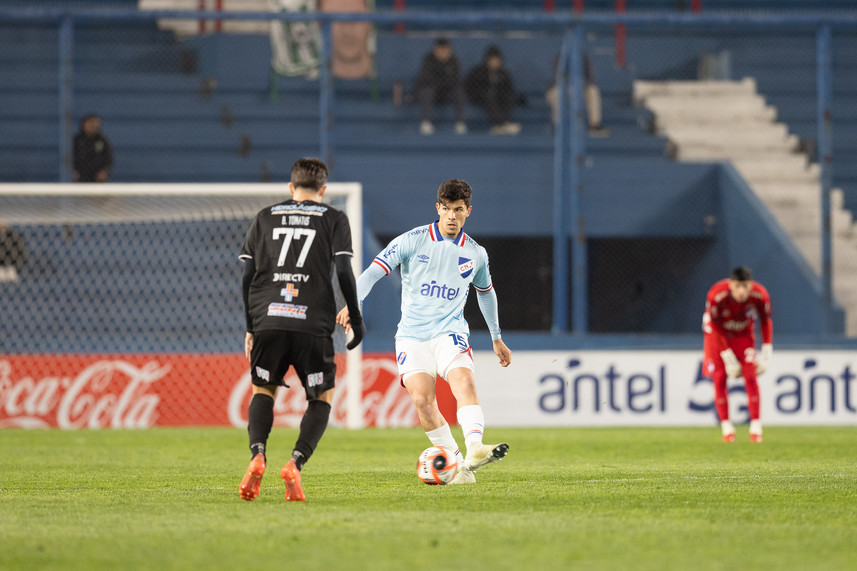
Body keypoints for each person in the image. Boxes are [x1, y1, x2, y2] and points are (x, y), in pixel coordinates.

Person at [336, 179, 512, 484]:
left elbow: (486, 293)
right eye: (447, 209)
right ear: (438, 208)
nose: (452, 216)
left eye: (459, 210)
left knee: (464, 383)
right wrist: (354, 303)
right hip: (412, 337)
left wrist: (496, 337)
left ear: (468, 211)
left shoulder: (476, 253)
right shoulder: (412, 240)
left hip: (450, 333)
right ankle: (460, 467)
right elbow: (374, 271)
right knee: (422, 401)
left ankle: (475, 447)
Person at [238, 157, 364, 502]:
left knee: (263, 390)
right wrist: (356, 317)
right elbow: (343, 270)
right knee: (321, 398)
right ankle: (295, 463)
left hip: (269, 318)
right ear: (323, 189)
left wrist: (251, 326)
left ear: (291, 187)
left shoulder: (265, 216)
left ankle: (258, 455)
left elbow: (247, 276)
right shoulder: (334, 217)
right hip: (312, 322)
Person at [702, 266, 772, 443]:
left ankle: (756, 428)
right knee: (719, 378)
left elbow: (766, 320)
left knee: (751, 376)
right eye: (738, 286)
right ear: (731, 285)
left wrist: (766, 351)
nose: (742, 291)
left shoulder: (760, 295)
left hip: (743, 336)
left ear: (751, 285)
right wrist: (727, 356)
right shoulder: (716, 295)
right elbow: (714, 326)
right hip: (718, 337)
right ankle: (727, 429)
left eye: (745, 286)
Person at [545, 52, 609, 137]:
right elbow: (556, 79)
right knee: (556, 94)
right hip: (560, 88)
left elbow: (590, 79)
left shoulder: (584, 59)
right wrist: (566, 86)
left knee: (593, 90)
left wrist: (577, 86)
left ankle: (594, 126)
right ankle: (558, 126)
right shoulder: (560, 58)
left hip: (580, 89)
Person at [414, 38, 467, 136]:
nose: (443, 53)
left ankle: (459, 123)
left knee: (459, 92)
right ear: (435, 50)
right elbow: (427, 79)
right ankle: (425, 122)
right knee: (426, 91)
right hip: (432, 92)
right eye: (441, 50)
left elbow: (456, 79)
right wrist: (444, 81)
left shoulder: (454, 60)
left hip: (447, 92)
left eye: (446, 50)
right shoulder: (428, 60)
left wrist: (443, 82)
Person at [464, 45, 521, 136]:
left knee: (508, 97)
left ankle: (502, 124)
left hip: (497, 97)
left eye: (497, 60)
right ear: (487, 60)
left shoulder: (503, 73)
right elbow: (468, 86)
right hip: (480, 97)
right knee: (489, 97)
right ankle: (501, 124)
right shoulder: (478, 71)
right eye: (492, 60)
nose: (494, 62)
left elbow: (508, 88)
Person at [73, 113, 114, 182]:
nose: (94, 125)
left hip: (97, 178)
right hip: (80, 177)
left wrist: (104, 171)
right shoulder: (76, 140)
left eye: (96, 123)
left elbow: (108, 159)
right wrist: (73, 171)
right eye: (91, 122)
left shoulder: (102, 141)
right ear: (84, 124)